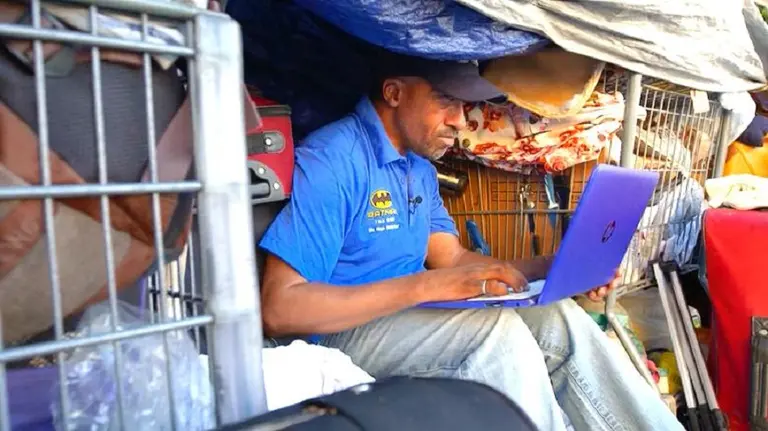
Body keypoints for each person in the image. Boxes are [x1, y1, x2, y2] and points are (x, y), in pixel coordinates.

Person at [258, 56, 682, 431]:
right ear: (394, 93)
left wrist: (549, 267)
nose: (461, 121)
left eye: (463, 106)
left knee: (560, 318)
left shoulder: (416, 167)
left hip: (408, 314)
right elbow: (280, 309)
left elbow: (451, 257)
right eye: (446, 100)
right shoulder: (334, 158)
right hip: (339, 333)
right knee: (494, 334)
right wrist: (427, 287)